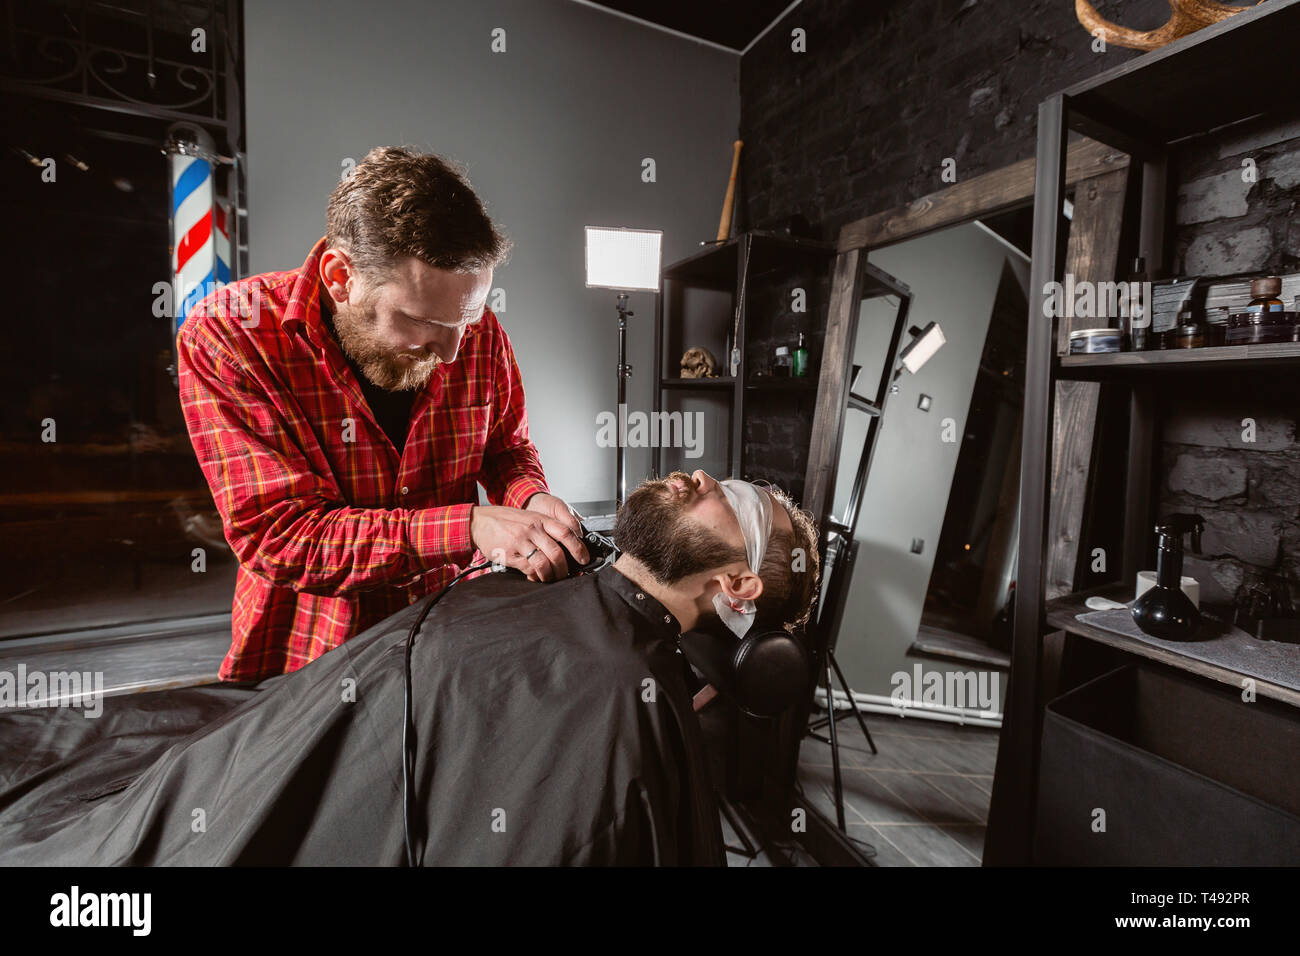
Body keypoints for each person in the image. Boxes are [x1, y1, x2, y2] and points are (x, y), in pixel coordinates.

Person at [0, 471, 819, 866]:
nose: (703, 475)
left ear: (738, 586)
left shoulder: (613, 703)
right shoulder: (571, 585)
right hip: (279, 736)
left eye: (734, 505)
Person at [176, 145, 589, 684]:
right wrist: (468, 526)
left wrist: (530, 497)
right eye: (421, 321)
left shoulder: (473, 333)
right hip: (309, 654)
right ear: (340, 276)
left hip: (446, 631)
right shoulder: (230, 334)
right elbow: (279, 535)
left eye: (467, 319)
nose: (450, 352)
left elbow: (506, 449)